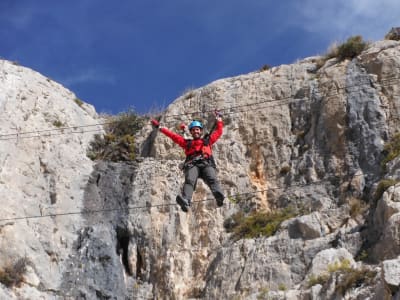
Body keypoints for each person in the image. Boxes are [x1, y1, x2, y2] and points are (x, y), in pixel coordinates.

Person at [151, 113, 225, 212]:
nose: (196, 131)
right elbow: (173, 136)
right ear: (191, 132)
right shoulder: (187, 143)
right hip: (192, 164)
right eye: (193, 130)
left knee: (212, 178)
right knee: (190, 180)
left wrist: (219, 120)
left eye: (197, 129)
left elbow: (219, 132)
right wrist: (159, 128)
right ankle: (186, 200)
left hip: (206, 163)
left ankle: (218, 196)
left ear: (201, 131)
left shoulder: (207, 140)